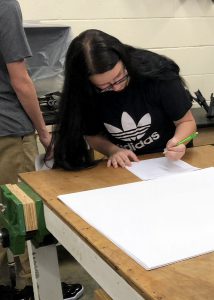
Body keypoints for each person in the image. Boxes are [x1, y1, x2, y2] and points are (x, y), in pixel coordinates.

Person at [0, 1, 83, 299]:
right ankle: (33, 288)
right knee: (24, 214)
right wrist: (44, 132)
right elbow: (21, 79)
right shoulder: (5, 6)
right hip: (7, 129)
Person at [52, 29, 196, 170]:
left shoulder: (157, 73)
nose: (116, 88)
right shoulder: (83, 91)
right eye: (104, 86)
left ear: (124, 60)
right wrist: (113, 151)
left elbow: (186, 122)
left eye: (119, 77)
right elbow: (92, 135)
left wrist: (178, 142)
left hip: (171, 162)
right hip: (129, 166)